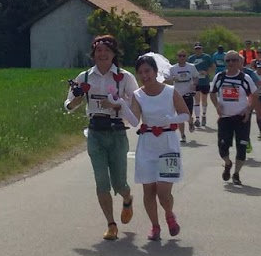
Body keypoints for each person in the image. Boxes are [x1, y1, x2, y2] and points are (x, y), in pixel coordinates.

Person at [64, 34, 137, 240]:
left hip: (117, 132)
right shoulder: (84, 77)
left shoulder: (125, 77)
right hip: (95, 132)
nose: (102, 54)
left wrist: (117, 104)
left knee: (119, 183)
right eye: (98, 51)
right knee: (101, 181)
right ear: (93, 54)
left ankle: (127, 198)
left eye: (107, 50)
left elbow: (134, 106)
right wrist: (76, 99)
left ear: (114, 54)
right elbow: (69, 105)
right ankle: (111, 224)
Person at [125, 54, 188, 242]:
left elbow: (185, 114)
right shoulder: (138, 95)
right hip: (147, 144)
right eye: (140, 73)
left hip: (168, 143)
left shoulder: (170, 91)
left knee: (163, 190)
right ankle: (155, 225)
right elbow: (135, 121)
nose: (145, 76)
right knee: (148, 190)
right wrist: (122, 105)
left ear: (155, 71)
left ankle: (169, 214)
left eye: (147, 71)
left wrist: (173, 120)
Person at [210, 50, 257, 185]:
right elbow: (212, 93)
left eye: (234, 60)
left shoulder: (244, 78)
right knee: (223, 146)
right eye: (228, 60)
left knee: (241, 147)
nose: (231, 63)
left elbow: (254, 94)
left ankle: (236, 174)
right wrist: (217, 105)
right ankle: (228, 163)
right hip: (225, 118)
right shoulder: (220, 77)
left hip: (241, 117)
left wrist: (248, 110)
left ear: (239, 62)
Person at [166, 48, 197, 143]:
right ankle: (183, 135)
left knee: (188, 114)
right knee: (180, 115)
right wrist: (173, 79)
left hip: (188, 93)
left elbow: (196, 77)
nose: (182, 58)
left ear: (186, 57)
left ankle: (191, 122)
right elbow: (166, 80)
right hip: (178, 95)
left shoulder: (191, 67)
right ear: (177, 57)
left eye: (183, 56)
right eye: (180, 56)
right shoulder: (173, 68)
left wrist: (194, 85)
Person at [188, 43, 215, 127]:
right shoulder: (191, 58)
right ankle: (197, 119)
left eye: (199, 49)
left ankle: (204, 115)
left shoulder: (206, 57)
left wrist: (207, 72)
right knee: (196, 99)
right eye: (196, 49)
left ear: (202, 49)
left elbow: (213, 66)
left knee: (204, 99)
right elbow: (188, 69)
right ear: (194, 49)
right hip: (196, 82)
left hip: (205, 81)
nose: (198, 50)